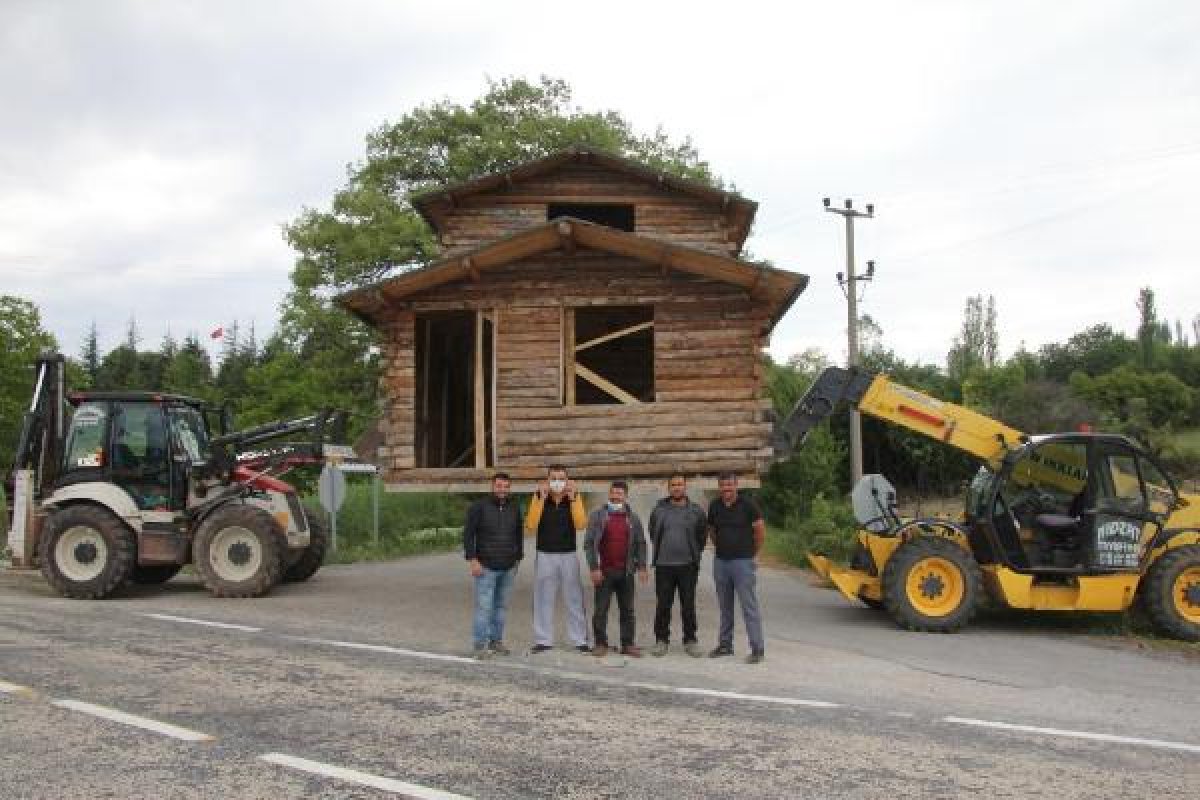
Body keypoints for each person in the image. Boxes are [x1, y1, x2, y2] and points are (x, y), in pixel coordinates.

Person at [525, 465, 590, 654]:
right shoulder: (538, 498)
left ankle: (579, 639)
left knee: (574, 598)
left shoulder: (574, 499)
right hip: (545, 554)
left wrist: (574, 498)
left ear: (568, 481)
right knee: (543, 597)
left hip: (568, 554)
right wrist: (539, 499)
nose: (557, 482)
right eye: (553, 478)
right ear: (547, 480)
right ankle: (543, 639)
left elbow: (580, 524)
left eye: (561, 478)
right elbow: (530, 525)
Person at [584, 481, 648, 657]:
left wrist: (642, 566)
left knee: (627, 610)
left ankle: (627, 644)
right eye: (613, 493)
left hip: (626, 572)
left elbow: (641, 543)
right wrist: (593, 567)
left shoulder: (633, 518)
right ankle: (600, 643)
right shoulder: (598, 516)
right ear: (609, 494)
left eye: (619, 494)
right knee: (600, 610)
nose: (615, 496)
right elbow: (589, 543)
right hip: (604, 572)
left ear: (625, 496)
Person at [707, 472, 766, 664]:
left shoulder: (748, 505)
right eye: (723, 486)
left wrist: (752, 554)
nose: (726, 489)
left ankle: (757, 648)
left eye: (730, 485)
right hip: (721, 562)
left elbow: (759, 532)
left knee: (749, 606)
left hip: (742, 562)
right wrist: (722, 547)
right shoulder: (715, 506)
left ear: (736, 486)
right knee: (725, 606)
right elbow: (712, 532)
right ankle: (725, 645)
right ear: (719, 487)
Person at [463, 472, 523, 659]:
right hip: (485, 567)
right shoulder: (478, 507)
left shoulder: (514, 508)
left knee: (501, 607)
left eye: (506, 486)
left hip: (508, 567)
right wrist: (472, 560)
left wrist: (517, 558)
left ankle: (496, 641)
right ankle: (479, 646)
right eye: (499, 486)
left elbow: (518, 533)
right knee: (484, 608)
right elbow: (468, 535)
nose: (502, 490)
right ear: (492, 486)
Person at [648, 473, 708, 657]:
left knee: (688, 604)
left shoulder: (696, 511)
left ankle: (690, 639)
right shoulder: (659, 510)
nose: (677, 487)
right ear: (668, 487)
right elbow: (652, 532)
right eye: (673, 485)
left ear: (685, 486)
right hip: (664, 565)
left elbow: (702, 536)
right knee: (663, 604)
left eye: (680, 484)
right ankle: (661, 640)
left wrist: (693, 553)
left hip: (688, 566)